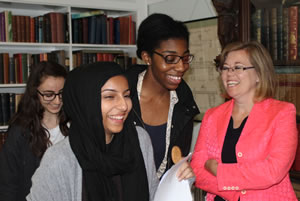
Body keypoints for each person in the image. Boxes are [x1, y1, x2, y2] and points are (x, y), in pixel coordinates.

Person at [26, 62, 158, 201]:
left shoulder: (139, 140)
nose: (124, 105)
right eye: (109, 97)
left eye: (126, 95)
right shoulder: (59, 159)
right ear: (85, 102)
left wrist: (180, 181)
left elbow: (155, 195)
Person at [191, 41, 298, 201]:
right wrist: (237, 193)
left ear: (259, 74)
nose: (229, 73)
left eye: (238, 67)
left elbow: (273, 171)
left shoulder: (282, 113)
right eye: (225, 68)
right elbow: (197, 170)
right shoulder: (212, 116)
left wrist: (219, 171)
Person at [126, 13, 200, 179]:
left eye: (185, 58)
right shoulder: (120, 98)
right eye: (170, 58)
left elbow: (177, 163)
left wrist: (185, 174)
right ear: (147, 57)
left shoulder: (184, 105)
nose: (181, 67)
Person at [0, 61, 69, 201]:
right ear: (35, 92)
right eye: (48, 94)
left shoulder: (77, 124)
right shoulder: (20, 130)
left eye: (61, 93)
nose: (57, 101)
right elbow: (8, 182)